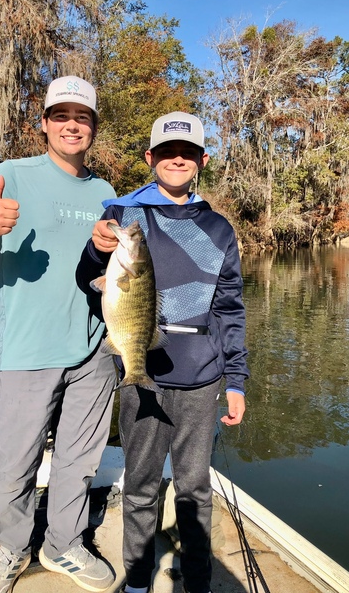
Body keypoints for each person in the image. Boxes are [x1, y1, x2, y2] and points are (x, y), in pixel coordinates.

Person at [0, 76, 118, 593]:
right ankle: (9, 550)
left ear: (92, 127)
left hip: (94, 351)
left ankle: (63, 544)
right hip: (26, 353)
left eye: (82, 116)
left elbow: (107, 265)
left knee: (79, 461)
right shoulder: (11, 175)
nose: (72, 124)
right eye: (61, 115)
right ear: (42, 124)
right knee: (15, 466)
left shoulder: (106, 192)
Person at [76, 112, 249, 593]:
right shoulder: (121, 214)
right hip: (139, 367)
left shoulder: (218, 229)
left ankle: (196, 579)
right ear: (150, 158)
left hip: (202, 378)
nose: (178, 159)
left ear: (202, 161)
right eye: (168, 151)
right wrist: (95, 252)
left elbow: (230, 308)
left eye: (188, 153)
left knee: (195, 489)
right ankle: (137, 578)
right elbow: (87, 282)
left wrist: (235, 380)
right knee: (141, 485)